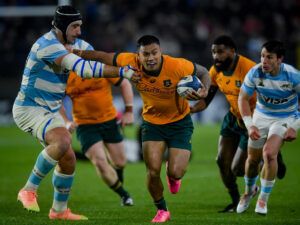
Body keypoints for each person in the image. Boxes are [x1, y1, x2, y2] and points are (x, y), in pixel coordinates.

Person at [12, 5, 138, 220]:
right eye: (75, 27)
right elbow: (84, 69)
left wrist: (129, 61)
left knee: (68, 158)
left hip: (51, 110)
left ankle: (59, 211)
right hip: (30, 108)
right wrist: (122, 72)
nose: (79, 31)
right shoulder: (47, 45)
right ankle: (28, 189)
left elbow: (96, 58)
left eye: (80, 26)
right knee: (62, 141)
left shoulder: (78, 44)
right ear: (61, 27)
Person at [71, 34, 211, 223]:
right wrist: (77, 52)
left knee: (176, 172)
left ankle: (173, 174)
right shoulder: (129, 61)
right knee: (152, 170)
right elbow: (102, 56)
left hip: (180, 122)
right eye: (146, 54)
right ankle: (162, 210)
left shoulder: (177, 65)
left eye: (154, 53)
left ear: (161, 51)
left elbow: (204, 72)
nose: (151, 58)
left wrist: (204, 90)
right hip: (152, 123)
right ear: (139, 54)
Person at [190, 35, 287, 213]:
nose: (216, 56)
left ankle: (272, 155)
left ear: (232, 52)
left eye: (220, 52)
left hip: (253, 122)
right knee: (221, 161)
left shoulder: (251, 70)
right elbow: (207, 100)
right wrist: (189, 110)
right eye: (213, 52)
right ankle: (235, 200)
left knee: (237, 169)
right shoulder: (215, 71)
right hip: (233, 118)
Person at [236, 40, 300, 215]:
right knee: (252, 160)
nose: (264, 61)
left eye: (269, 57)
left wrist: (295, 126)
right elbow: (242, 98)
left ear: (279, 59)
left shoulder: (293, 76)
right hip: (261, 116)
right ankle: (249, 192)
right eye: (262, 56)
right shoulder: (255, 73)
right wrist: (250, 126)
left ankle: (263, 200)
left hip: (285, 117)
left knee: (269, 154)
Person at [61, 71, 134, 206]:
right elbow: (55, 99)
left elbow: (124, 83)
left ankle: (116, 180)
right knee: (100, 161)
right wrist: (66, 121)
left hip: (109, 121)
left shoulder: (100, 68)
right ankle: (124, 195)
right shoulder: (65, 74)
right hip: (85, 126)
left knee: (120, 162)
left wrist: (129, 111)